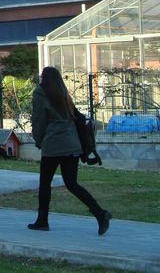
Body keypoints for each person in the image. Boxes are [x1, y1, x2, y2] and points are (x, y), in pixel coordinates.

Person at [28, 66, 111, 235]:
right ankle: (100, 213)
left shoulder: (40, 93)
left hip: (53, 144)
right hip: (72, 144)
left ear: (43, 78)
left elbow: (39, 120)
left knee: (45, 183)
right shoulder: (64, 93)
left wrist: (38, 139)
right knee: (72, 184)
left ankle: (42, 221)